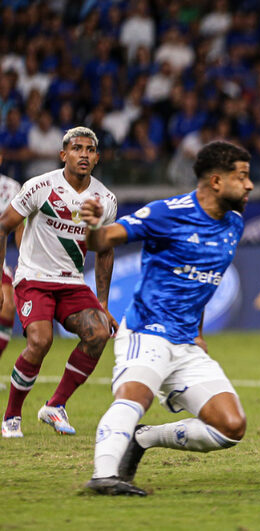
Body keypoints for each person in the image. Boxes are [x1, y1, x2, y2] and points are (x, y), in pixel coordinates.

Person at [81, 140, 253, 496]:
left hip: (186, 342)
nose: (250, 185)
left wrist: (200, 333)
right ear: (217, 181)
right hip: (147, 330)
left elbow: (203, 282)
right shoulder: (166, 213)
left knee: (230, 428)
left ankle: (144, 438)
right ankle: (103, 476)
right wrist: (94, 226)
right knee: (134, 397)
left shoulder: (233, 225)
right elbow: (104, 241)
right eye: (243, 177)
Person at [0, 127, 118, 438]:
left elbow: (104, 249)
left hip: (72, 283)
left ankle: (55, 406)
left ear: (96, 158)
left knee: (99, 333)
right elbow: (3, 227)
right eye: (77, 148)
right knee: (40, 341)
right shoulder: (40, 186)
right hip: (34, 278)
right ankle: (11, 416)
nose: (84, 154)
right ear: (63, 154)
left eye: (90, 149)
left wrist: (102, 303)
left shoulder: (105, 199)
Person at [0, 154, 22, 369]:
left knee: (7, 307)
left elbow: (20, 225)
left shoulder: (11, 188)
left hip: (0, 257)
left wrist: (24, 258)